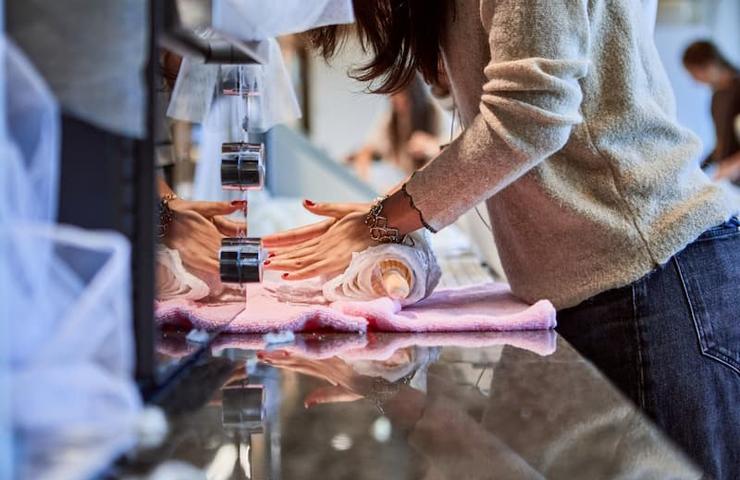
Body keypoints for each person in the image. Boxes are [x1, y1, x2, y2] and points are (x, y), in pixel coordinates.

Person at [263, 1, 740, 478]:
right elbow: (496, 123)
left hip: (652, 275)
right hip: (609, 283)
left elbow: (531, 115)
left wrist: (380, 221)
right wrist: (389, 213)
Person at [347, 76, 444, 180]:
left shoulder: (431, 112)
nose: (394, 99)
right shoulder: (392, 115)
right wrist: (362, 172)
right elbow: (370, 146)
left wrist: (428, 145)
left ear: (412, 95)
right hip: (396, 178)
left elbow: (441, 148)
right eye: (392, 95)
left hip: (419, 179)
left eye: (400, 95)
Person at [683, 40, 740, 184]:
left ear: (709, 65)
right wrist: (696, 170)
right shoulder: (718, 96)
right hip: (732, 182)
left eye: (694, 73)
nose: (695, 81)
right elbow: (722, 141)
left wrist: (735, 164)